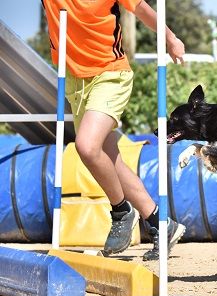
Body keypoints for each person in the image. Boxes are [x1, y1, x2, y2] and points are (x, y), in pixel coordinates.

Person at [42, 0, 186, 260]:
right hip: (75, 81)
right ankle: (160, 223)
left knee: (87, 146)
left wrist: (170, 38)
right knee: (109, 160)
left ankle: (121, 211)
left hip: (110, 75)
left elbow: (142, 10)